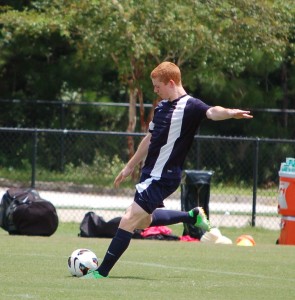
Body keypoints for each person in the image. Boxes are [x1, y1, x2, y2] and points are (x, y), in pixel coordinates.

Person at [82, 61, 253, 279]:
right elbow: (149, 138)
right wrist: (129, 166)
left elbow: (212, 112)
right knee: (143, 222)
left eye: (157, 86)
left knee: (128, 219)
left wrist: (230, 112)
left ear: (170, 83)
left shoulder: (191, 106)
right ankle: (191, 216)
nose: (155, 90)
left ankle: (101, 273)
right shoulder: (161, 107)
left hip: (164, 176)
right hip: (149, 175)